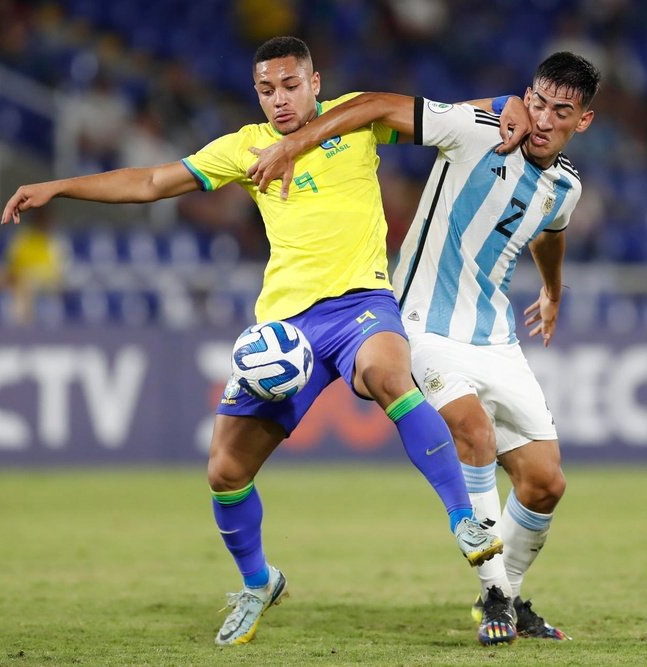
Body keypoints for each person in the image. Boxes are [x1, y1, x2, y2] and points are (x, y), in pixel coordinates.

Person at [1, 36, 519, 647]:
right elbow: (151, 182)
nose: (279, 99)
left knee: (386, 371)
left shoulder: (354, 119)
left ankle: (464, 519)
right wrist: (60, 185)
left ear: (315, 82)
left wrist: (508, 100)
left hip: (362, 303)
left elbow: (448, 114)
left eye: (290, 85)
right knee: (225, 470)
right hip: (287, 329)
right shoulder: (244, 148)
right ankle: (258, 583)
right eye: (267, 89)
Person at [248, 51, 600, 646]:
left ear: (582, 121)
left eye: (559, 111)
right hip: (422, 325)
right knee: (474, 434)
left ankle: (507, 594)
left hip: (496, 340)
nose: (541, 118)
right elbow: (371, 106)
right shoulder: (475, 130)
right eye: (536, 101)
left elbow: (550, 231)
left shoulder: (566, 186)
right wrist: (293, 145)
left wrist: (553, 289)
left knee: (546, 483)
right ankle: (494, 596)